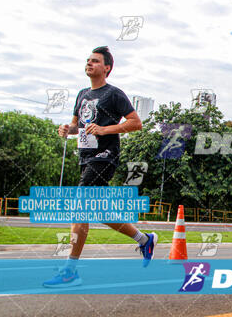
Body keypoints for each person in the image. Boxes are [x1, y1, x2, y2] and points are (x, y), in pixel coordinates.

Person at [43, 46, 156, 288]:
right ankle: (144, 239)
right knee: (97, 210)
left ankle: (70, 270)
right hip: (85, 157)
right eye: (88, 60)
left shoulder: (114, 94)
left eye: (95, 61)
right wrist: (67, 129)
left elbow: (136, 123)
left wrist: (105, 129)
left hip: (105, 156)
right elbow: (78, 125)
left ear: (107, 68)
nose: (89, 64)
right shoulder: (82, 94)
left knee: (79, 207)